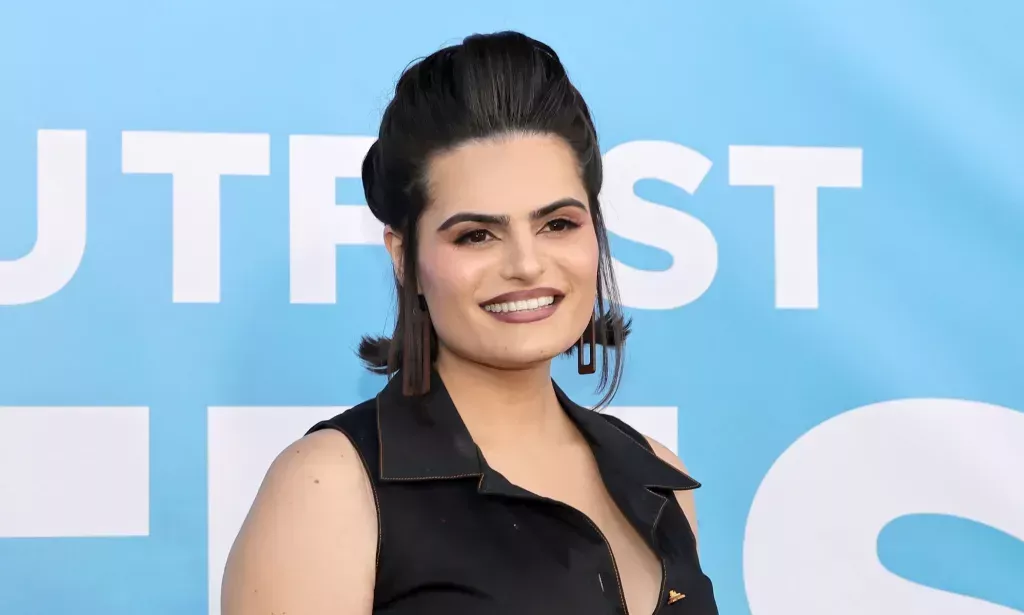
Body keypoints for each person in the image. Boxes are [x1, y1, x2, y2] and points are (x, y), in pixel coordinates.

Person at [221, 30, 718, 615]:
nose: (527, 263)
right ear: (405, 257)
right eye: (476, 234)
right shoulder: (330, 487)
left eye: (558, 223)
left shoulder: (659, 479)